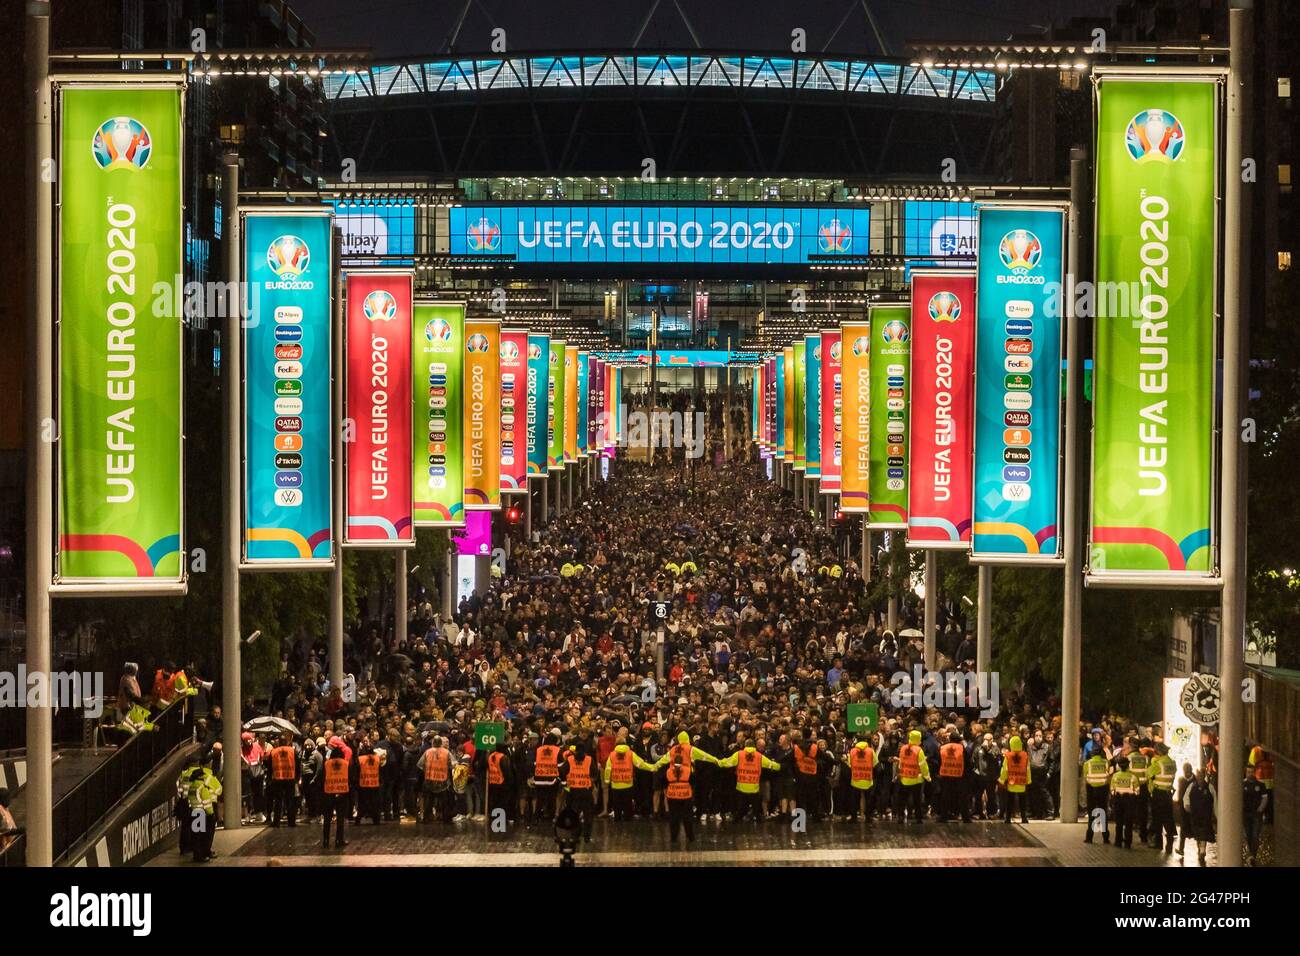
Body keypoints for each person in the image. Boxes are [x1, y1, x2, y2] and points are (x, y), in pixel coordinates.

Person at [717, 742, 781, 823]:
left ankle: (736, 823)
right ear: (754, 746)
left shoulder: (739, 754)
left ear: (745, 746)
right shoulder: (759, 756)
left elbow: (728, 762)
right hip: (754, 788)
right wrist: (780, 766)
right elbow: (770, 764)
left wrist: (718, 762)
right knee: (756, 811)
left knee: (740, 811)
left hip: (741, 787)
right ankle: (759, 823)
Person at [180, 752, 222, 863]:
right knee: (203, 834)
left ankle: (193, 852)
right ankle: (201, 854)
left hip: (192, 809)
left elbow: (184, 792)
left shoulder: (190, 782)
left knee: (195, 834)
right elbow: (211, 797)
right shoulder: (204, 782)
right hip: (202, 812)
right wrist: (210, 813)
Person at [602, 739, 658, 821]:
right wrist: (652, 767)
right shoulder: (630, 754)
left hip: (615, 784)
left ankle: (617, 823)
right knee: (627, 806)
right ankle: (628, 824)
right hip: (628, 784)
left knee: (617, 806)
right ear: (625, 743)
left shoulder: (612, 755)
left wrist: (607, 780)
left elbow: (607, 769)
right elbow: (640, 764)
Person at [558, 741, 597, 843]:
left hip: (573, 792)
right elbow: (594, 773)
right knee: (588, 815)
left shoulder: (570, 759)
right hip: (586, 791)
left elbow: (562, 771)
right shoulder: (589, 759)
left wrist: (565, 781)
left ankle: (575, 836)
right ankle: (587, 837)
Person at [1181, 767, 1216, 865]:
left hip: (1205, 815)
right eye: (1198, 775)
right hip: (1195, 815)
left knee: (1203, 834)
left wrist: (1216, 813)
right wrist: (1186, 805)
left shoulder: (1210, 787)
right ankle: (1200, 849)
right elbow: (1186, 797)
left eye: (1201, 775)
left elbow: (1215, 801)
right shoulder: (1192, 786)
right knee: (1197, 834)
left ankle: (1202, 851)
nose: (1199, 777)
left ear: (1204, 776)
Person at [1146, 743, 1177, 852]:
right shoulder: (1172, 763)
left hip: (1159, 794)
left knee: (1157, 819)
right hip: (1168, 793)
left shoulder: (1158, 763)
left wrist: (1153, 762)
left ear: (1158, 752)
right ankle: (1169, 844)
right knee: (1168, 819)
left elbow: (1148, 773)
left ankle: (1158, 844)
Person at [321, 737, 351, 849]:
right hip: (342, 793)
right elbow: (350, 778)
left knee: (327, 819)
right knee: (340, 819)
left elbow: (321, 778)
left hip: (328, 793)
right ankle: (339, 840)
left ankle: (325, 841)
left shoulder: (327, 764)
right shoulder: (346, 764)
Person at [418, 735, 455, 824]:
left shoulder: (427, 752)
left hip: (429, 780)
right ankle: (446, 819)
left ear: (433, 743)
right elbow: (453, 764)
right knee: (444, 803)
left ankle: (426, 819)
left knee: (428, 802)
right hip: (443, 780)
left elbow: (420, 764)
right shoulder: (446, 752)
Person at [663, 747, 696, 846]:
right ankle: (690, 837)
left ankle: (673, 837)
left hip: (672, 797)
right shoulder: (688, 770)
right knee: (687, 818)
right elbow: (693, 782)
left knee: (674, 818)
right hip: (686, 796)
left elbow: (664, 783)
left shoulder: (668, 771)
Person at [896, 729, 930, 823]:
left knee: (902, 799)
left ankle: (900, 817)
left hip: (904, 778)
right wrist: (927, 776)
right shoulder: (919, 750)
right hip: (916, 779)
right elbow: (923, 765)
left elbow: (900, 763)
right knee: (917, 800)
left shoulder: (903, 748)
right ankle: (918, 818)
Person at [267, 731, 299, 827]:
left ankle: (276, 822)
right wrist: (297, 777)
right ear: (286, 742)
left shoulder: (273, 752)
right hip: (290, 778)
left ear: (279, 742)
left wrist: (269, 778)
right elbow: (298, 765)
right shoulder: (293, 751)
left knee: (278, 801)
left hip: (277, 778)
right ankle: (291, 822)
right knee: (290, 800)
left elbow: (269, 767)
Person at [530, 730, 563, 824]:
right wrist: (560, 778)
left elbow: (534, 763)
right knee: (551, 799)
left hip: (539, 778)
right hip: (552, 779)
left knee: (539, 800)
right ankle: (551, 818)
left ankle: (535, 818)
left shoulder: (539, 749)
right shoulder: (558, 750)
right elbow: (560, 766)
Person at [937, 731, 969, 823]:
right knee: (962, 798)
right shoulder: (962, 748)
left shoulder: (942, 747)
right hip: (959, 775)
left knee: (945, 797)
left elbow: (939, 761)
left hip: (945, 775)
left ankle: (943, 817)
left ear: (950, 739)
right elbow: (967, 762)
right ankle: (965, 817)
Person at [998, 734, 1030, 824]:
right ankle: (1024, 818)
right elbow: (1028, 768)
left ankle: (1008, 818)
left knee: (1010, 801)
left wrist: (1002, 779)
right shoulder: (1025, 755)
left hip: (1011, 782)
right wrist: (1029, 780)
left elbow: (1005, 769)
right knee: (1022, 801)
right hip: (1022, 781)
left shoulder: (1008, 756)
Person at [842, 738, 875, 823]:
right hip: (867, 779)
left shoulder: (852, 751)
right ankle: (868, 817)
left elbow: (850, 764)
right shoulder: (871, 751)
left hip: (855, 779)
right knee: (868, 800)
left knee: (854, 800)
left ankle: (854, 817)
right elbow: (875, 764)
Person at [1082, 748, 1111, 844]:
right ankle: (1105, 837)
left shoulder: (1087, 763)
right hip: (1103, 790)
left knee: (1091, 815)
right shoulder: (1106, 763)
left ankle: (1089, 837)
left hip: (1091, 790)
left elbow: (1085, 776)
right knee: (1103, 813)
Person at [1109, 755, 1139, 849]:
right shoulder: (1133, 777)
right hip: (1129, 801)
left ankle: (1118, 841)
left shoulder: (1115, 776)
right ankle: (1127, 843)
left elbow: (1112, 789)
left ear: (1119, 766)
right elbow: (1137, 791)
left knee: (1119, 822)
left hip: (1118, 800)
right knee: (1128, 822)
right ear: (1128, 765)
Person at [1243, 762, 1269, 865]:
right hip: (1245, 814)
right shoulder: (1242, 784)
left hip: (1256, 814)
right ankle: (1251, 855)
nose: (1250, 774)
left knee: (1255, 835)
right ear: (1246, 773)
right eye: (1248, 772)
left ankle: (1252, 855)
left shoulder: (1260, 785)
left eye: (1252, 772)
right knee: (1247, 835)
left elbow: (1265, 798)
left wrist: (1260, 809)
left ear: (1255, 773)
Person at [355, 742, 384, 825]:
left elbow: (357, 771)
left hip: (363, 784)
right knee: (375, 804)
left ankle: (358, 820)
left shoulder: (360, 759)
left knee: (362, 803)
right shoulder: (377, 758)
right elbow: (380, 771)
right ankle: (376, 820)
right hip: (374, 784)